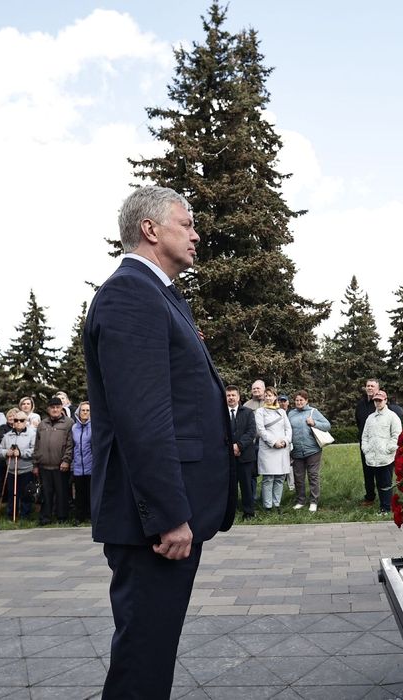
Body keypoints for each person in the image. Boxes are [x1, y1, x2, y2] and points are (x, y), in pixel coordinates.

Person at [84, 185, 235, 699]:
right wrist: (169, 515)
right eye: (186, 224)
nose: (196, 235)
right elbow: (143, 419)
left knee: (150, 653)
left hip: (164, 514)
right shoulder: (131, 294)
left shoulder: (160, 294)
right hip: (152, 523)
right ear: (150, 229)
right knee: (143, 662)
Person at [287, 389, 330, 513]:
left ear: (306, 401)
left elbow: (327, 425)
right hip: (296, 451)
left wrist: (314, 423)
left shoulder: (313, 411)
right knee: (298, 477)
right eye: (297, 400)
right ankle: (300, 501)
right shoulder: (291, 414)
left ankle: (313, 501)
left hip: (313, 450)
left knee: (313, 476)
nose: (299, 402)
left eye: (301, 400)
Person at [34, 396, 74, 526]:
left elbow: (70, 444)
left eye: (57, 407)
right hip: (44, 465)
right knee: (46, 493)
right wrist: (35, 464)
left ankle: (62, 517)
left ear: (61, 408)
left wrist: (66, 460)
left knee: (61, 493)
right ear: (48, 409)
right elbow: (37, 445)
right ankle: (45, 517)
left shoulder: (69, 423)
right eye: (52, 407)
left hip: (60, 465)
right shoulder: (42, 424)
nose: (55, 410)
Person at [361, 390, 401, 515]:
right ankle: (383, 506)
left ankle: (386, 508)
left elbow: (397, 435)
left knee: (385, 483)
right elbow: (365, 436)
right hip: (372, 457)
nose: (377, 403)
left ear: (385, 400)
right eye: (376, 400)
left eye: (380, 400)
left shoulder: (392, 416)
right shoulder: (370, 418)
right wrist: (366, 449)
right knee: (378, 483)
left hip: (386, 457)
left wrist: (388, 449)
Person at [255, 387, 292, 511]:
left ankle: (277, 504)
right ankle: (268, 506)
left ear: (275, 397)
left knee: (280, 478)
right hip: (268, 449)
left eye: (270, 395)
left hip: (282, 449)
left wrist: (285, 441)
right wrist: (274, 442)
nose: (268, 398)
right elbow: (261, 430)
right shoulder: (260, 411)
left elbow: (288, 429)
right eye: (266, 395)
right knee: (268, 478)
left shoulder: (281, 412)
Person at [226, 386, 257, 520]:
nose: (231, 398)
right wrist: (230, 448)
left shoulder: (248, 412)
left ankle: (248, 512)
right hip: (227, 457)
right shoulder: (221, 414)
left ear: (238, 397)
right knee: (229, 487)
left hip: (245, 456)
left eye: (233, 395)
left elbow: (251, 432)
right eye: (228, 395)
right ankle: (229, 513)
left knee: (246, 486)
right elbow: (218, 432)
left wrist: (239, 446)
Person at [0, 411, 36, 519]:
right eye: (16, 420)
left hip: (26, 469)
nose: (18, 422)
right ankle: (12, 513)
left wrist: (21, 453)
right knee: (12, 493)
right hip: (11, 470)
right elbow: (0, 450)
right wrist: (6, 453)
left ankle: (25, 514)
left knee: (26, 493)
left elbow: (35, 450)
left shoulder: (32, 434)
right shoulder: (7, 435)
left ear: (26, 422)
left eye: (21, 420)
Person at [355, 377, 381, 507]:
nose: (369, 388)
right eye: (368, 386)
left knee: (381, 471)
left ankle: (385, 498)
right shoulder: (360, 404)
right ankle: (370, 497)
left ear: (378, 389)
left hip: (380, 443)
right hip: (365, 443)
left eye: (372, 386)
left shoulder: (380, 403)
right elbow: (358, 422)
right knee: (368, 471)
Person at [70, 401, 93, 523]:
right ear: (78, 412)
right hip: (78, 466)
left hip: (91, 466)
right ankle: (79, 517)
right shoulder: (74, 428)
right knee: (79, 493)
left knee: (90, 493)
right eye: (83, 410)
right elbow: (72, 446)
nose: (85, 412)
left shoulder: (94, 426)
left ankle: (91, 516)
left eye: (87, 410)